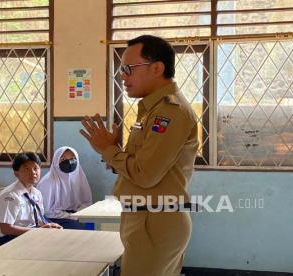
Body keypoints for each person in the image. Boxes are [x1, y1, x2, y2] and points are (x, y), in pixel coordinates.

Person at [80, 35, 199, 276]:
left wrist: (108, 150)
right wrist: (113, 151)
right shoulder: (153, 110)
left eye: (128, 68)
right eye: (121, 69)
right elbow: (140, 166)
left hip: (154, 222)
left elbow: (145, 175)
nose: (122, 75)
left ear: (157, 68)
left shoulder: (169, 112)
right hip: (146, 218)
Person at [0, 152, 62, 246]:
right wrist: (38, 231)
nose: (33, 172)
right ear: (16, 174)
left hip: (30, 235)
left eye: (35, 168)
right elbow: (6, 229)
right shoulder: (10, 196)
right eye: (26, 169)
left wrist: (50, 226)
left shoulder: (36, 193)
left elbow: (38, 219)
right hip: (10, 240)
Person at [37, 146, 92, 229]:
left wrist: (79, 213)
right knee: (81, 228)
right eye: (63, 159)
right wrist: (70, 216)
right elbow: (46, 211)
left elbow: (87, 202)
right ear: (56, 162)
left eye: (73, 158)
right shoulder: (47, 182)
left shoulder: (80, 177)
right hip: (55, 218)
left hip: (76, 215)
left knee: (93, 224)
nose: (69, 162)